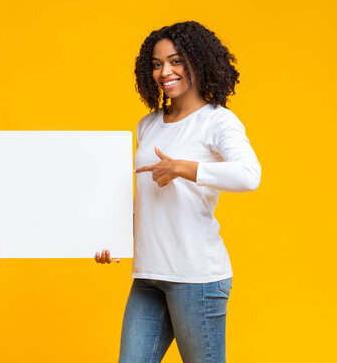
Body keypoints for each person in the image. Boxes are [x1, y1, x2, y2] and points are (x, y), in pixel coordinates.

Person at [95, 21, 261, 363]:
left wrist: (183, 168)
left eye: (175, 61)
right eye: (156, 64)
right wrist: (111, 239)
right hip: (148, 275)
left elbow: (249, 176)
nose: (164, 72)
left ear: (197, 61)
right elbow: (143, 200)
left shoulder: (218, 121)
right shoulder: (149, 124)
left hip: (196, 277)